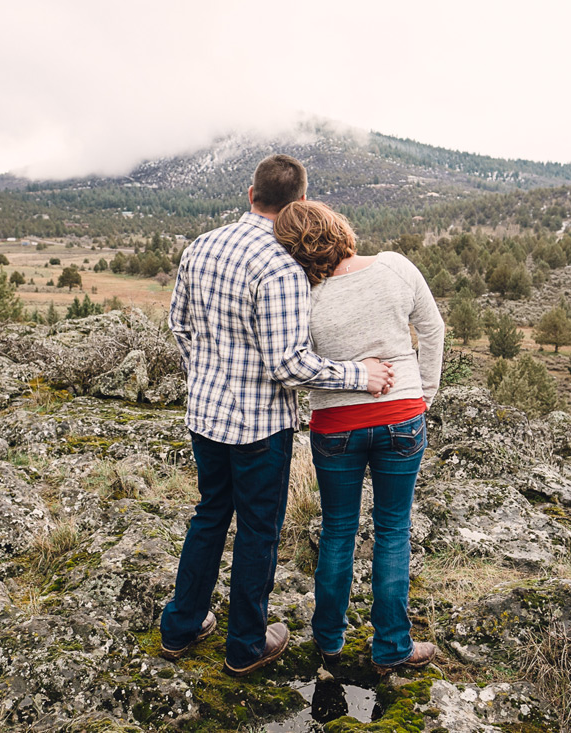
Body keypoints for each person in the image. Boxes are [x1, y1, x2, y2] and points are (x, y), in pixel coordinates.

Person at [160, 155, 397, 677]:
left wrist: (206, 373)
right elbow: (289, 364)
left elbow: (179, 324)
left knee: (209, 515)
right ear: (299, 205)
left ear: (251, 194)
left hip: (205, 415)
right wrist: (360, 375)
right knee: (258, 531)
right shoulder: (281, 266)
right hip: (257, 427)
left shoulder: (202, 246)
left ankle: (180, 626)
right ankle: (245, 645)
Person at [273, 201, 444, 674]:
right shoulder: (395, 266)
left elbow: (295, 368)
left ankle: (329, 642)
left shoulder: (302, 295)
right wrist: (423, 392)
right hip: (402, 417)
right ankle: (391, 647)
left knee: (337, 532)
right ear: (338, 227)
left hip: (335, 428)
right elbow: (432, 329)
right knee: (392, 531)